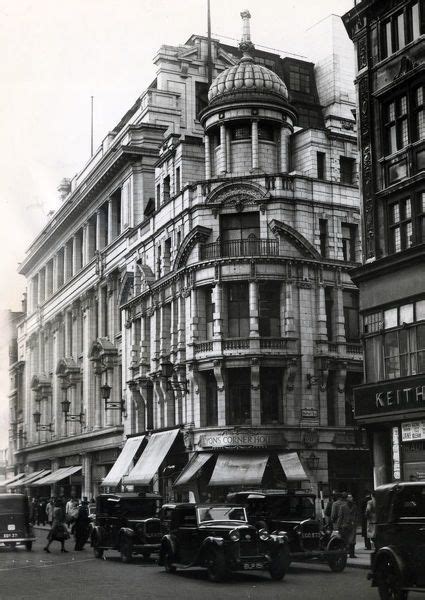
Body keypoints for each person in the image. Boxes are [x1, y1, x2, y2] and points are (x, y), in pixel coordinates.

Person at [336, 493, 358, 558]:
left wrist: (355, 522)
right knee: (345, 540)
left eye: (352, 497)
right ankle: (344, 554)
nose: (352, 498)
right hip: (345, 525)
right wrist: (339, 526)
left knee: (352, 540)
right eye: (350, 497)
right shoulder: (342, 507)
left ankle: (352, 554)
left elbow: (356, 515)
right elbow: (340, 517)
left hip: (352, 525)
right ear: (347, 499)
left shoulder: (354, 506)